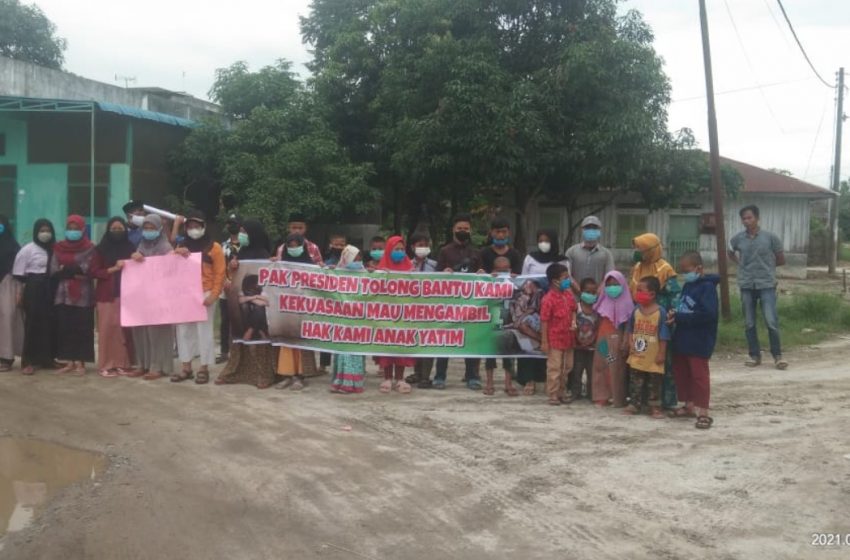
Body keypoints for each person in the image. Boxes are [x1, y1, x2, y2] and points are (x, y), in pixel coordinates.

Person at [216, 220, 278, 389]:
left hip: (261, 308)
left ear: (254, 234)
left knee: (259, 312)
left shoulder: (265, 255)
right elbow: (232, 279)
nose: (241, 235)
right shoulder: (240, 253)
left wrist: (275, 264)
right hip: (244, 307)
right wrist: (232, 268)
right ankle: (235, 371)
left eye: (245, 232)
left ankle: (263, 374)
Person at [728, 205, 787, 370]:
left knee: (771, 321)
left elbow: (781, 258)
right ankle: (754, 355)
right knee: (749, 323)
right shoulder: (738, 239)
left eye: (750, 217)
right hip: (746, 284)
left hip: (766, 284)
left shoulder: (770, 238)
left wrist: (768, 268)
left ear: (757, 218)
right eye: (744, 218)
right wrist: (740, 264)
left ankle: (778, 356)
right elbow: (730, 251)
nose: (747, 221)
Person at [171, 211, 226, 385]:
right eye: (190, 227)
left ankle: (203, 368)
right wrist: (177, 254)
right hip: (184, 293)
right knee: (184, 330)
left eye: (197, 226)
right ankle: (186, 367)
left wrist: (214, 295)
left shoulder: (214, 247)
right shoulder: (181, 245)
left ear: (203, 227)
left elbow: (220, 274)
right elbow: (169, 268)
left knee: (204, 331)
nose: (194, 230)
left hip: (205, 293)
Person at [630, 232, 680, 409]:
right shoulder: (637, 267)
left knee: (661, 361)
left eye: (640, 249)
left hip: (661, 319)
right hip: (641, 318)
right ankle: (639, 400)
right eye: (636, 248)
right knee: (640, 359)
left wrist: (672, 315)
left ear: (651, 250)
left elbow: (675, 295)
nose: (637, 252)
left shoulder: (665, 269)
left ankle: (663, 401)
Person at [669, 251, 719, 430]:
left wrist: (681, 317)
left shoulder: (707, 288)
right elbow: (683, 307)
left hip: (699, 339)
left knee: (699, 375)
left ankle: (703, 411)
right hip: (682, 337)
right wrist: (675, 315)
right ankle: (689, 405)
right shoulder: (688, 286)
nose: (685, 274)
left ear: (699, 268)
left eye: (686, 270)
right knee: (683, 373)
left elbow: (708, 314)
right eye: (682, 271)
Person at [434, 213, 483, 390]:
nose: (463, 231)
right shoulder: (444, 251)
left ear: (470, 231)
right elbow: (436, 276)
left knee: (469, 340)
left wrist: (482, 275)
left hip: (470, 304)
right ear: (453, 230)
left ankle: (472, 376)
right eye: (460, 228)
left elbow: (482, 275)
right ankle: (440, 376)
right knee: (445, 340)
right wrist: (443, 272)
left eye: (466, 229)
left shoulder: (476, 252)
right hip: (448, 303)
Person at [127, 214, 175, 381]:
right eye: (145, 228)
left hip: (159, 296)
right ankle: (142, 364)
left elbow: (172, 265)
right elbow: (135, 261)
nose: (148, 231)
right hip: (142, 296)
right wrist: (134, 257)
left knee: (157, 332)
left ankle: (158, 366)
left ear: (159, 229)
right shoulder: (142, 244)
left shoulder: (165, 246)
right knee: (140, 330)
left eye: (152, 228)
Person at [50, 215, 96, 375]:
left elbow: (87, 269)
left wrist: (66, 269)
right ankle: (69, 361)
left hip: (83, 296)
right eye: (70, 228)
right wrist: (72, 270)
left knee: (82, 329)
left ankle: (80, 363)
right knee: (65, 328)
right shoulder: (58, 247)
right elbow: (54, 270)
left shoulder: (90, 247)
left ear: (83, 229)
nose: (73, 231)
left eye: (76, 228)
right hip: (62, 295)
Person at [90, 217, 136, 377]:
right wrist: (113, 269)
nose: (117, 231)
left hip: (126, 295)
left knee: (123, 330)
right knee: (107, 329)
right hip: (106, 295)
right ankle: (106, 364)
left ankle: (122, 363)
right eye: (114, 229)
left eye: (120, 228)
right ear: (108, 230)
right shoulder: (100, 249)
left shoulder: (131, 247)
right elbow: (94, 271)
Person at [13, 219, 59, 375]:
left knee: (49, 323)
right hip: (33, 288)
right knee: (32, 324)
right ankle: (28, 361)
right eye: (42, 230)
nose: (45, 234)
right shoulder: (27, 250)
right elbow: (19, 274)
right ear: (36, 232)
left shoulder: (55, 249)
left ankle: (47, 359)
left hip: (50, 287)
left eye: (48, 230)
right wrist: (19, 294)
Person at [624, 276, 670, 418]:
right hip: (637, 354)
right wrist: (630, 343)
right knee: (635, 381)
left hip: (653, 355)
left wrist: (662, 353)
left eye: (640, 290)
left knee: (654, 383)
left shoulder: (660, 312)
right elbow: (630, 329)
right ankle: (635, 403)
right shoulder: (635, 311)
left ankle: (654, 406)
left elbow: (664, 335)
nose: (637, 293)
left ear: (652, 294)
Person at [375, 235, 416, 394]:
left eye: (401, 249)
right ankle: (387, 378)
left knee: (401, 347)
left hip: (404, 315)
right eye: (395, 249)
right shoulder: (381, 268)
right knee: (387, 347)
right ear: (388, 250)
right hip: (385, 315)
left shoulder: (410, 269)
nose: (399, 252)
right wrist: (378, 275)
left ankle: (400, 379)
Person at [276, 233, 316, 391]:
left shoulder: (310, 264)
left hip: (303, 309)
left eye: (296, 245)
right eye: (290, 246)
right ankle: (287, 375)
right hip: (286, 308)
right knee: (286, 342)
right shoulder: (280, 265)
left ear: (303, 246)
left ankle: (300, 376)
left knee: (300, 343)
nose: (293, 249)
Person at [591, 271, 634, 407]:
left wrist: (625, 340)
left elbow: (629, 324)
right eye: (609, 285)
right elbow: (597, 320)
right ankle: (601, 396)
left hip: (617, 339)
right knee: (600, 366)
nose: (612, 287)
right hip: (603, 339)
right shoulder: (602, 301)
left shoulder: (627, 303)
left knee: (616, 367)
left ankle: (617, 397)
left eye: (616, 284)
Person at [329, 246, 368, 394]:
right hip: (343, 320)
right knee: (342, 351)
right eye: (354, 258)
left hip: (358, 321)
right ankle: (340, 381)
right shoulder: (338, 273)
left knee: (354, 351)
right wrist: (327, 270)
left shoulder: (366, 274)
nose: (358, 261)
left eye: (359, 258)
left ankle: (352, 383)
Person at [540, 263, 578, 405]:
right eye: (565, 277)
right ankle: (553, 394)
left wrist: (574, 322)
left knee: (567, 366)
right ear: (554, 280)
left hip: (569, 338)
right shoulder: (548, 299)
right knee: (555, 367)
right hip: (554, 338)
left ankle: (562, 391)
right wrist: (544, 341)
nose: (568, 280)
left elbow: (574, 309)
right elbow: (544, 321)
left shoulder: (568, 295)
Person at [405, 233, 437, 388]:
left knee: (428, 342)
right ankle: (417, 373)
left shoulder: (435, 265)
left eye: (425, 245)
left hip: (430, 308)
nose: (422, 248)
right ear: (412, 247)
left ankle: (426, 376)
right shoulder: (407, 265)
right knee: (415, 341)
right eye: (419, 245)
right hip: (412, 308)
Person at [484, 256, 518, 396]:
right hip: (491, 323)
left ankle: (508, 383)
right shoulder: (487, 283)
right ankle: (489, 383)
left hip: (507, 323)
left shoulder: (514, 283)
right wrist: (485, 278)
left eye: (506, 270)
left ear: (510, 270)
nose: (503, 273)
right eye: (500, 271)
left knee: (508, 354)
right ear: (493, 271)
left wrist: (516, 279)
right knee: (489, 354)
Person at [217, 213, 243, 364]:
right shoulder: (223, 246)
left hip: (241, 288)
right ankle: (224, 351)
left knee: (240, 319)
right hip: (225, 288)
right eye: (229, 223)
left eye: (235, 223)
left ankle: (238, 350)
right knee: (225, 320)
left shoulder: (246, 246)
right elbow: (219, 267)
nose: (231, 226)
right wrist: (224, 281)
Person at [569, 277, 600, 401]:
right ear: (581, 292)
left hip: (592, 346)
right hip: (578, 346)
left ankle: (591, 393)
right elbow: (573, 325)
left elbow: (598, 327)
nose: (591, 295)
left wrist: (592, 340)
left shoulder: (598, 310)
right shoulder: (576, 308)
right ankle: (575, 392)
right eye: (588, 292)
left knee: (592, 371)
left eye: (594, 292)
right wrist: (578, 340)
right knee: (576, 370)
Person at [0, 215, 23, 372]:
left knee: (7, 318)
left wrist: (20, 291)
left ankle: (6, 357)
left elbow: (20, 270)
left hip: (7, 283)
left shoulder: (13, 247)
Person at [565, 216, 615, 287]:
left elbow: (609, 275)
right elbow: (567, 274)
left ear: (599, 231)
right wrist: (578, 290)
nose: (591, 230)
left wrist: (598, 292)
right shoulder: (571, 251)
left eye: (594, 228)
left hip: (598, 296)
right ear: (582, 230)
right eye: (587, 228)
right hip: (575, 295)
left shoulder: (607, 254)